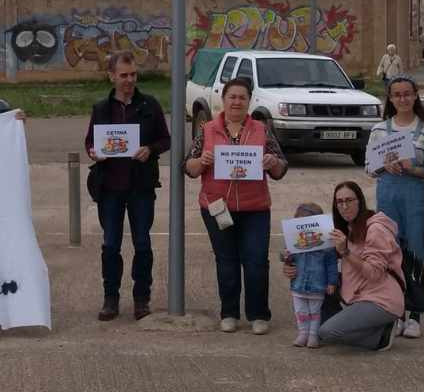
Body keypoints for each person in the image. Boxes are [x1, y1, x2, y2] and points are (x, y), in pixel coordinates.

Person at [184, 76, 287, 335]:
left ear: (249, 101)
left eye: (242, 97)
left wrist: (272, 162)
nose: (237, 102)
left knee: (255, 262)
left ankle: (258, 314)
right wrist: (202, 161)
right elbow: (189, 168)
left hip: (255, 208)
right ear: (223, 100)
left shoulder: (261, 130)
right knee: (226, 262)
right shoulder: (207, 130)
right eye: (232, 97)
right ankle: (229, 312)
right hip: (216, 207)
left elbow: (281, 168)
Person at [85, 51, 170, 321]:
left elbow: (165, 139)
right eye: (124, 75)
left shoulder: (150, 104)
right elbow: (90, 141)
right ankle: (111, 298)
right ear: (111, 76)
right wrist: (93, 152)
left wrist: (150, 149)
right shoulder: (101, 108)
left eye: (133, 74)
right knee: (110, 245)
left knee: (142, 244)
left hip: (141, 187)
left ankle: (141, 298)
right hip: (109, 187)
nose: (129, 80)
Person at [366, 74, 424, 339]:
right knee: (390, 256)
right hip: (388, 199)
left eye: (407, 94)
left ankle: (415, 315)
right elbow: (368, 168)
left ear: (415, 96)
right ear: (390, 98)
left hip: (417, 201)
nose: (403, 98)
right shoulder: (379, 130)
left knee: (416, 255)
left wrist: (415, 169)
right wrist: (382, 165)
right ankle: (396, 311)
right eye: (397, 94)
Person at [291, 182, 404, 351]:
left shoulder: (375, 229)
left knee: (326, 332)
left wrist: (345, 253)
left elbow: (374, 274)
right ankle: (369, 326)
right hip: (355, 295)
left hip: (380, 300)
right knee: (312, 306)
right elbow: (321, 263)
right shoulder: (345, 229)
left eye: (349, 200)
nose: (344, 206)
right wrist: (293, 268)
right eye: (339, 202)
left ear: (360, 201)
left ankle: (381, 337)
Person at [284, 202, 339, 349]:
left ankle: (313, 335)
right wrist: (286, 256)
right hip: (298, 285)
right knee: (300, 311)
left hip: (317, 285)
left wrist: (332, 282)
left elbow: (331, 264)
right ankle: (303, 333)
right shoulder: (295, 243)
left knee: (315, 312)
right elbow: (287, 258)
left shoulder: (326, 245)